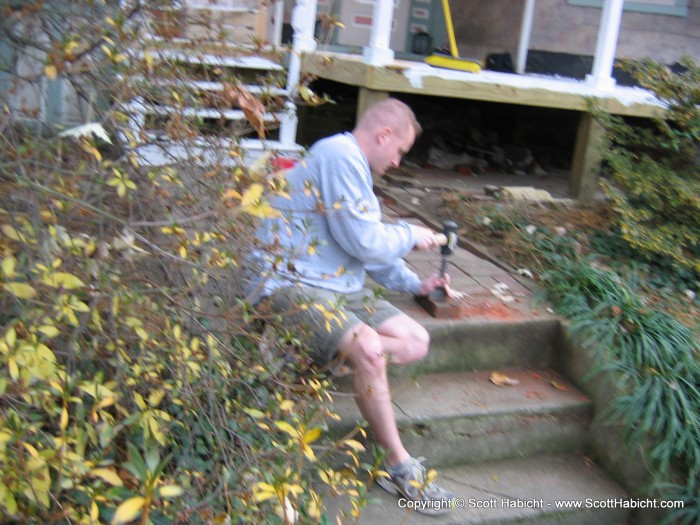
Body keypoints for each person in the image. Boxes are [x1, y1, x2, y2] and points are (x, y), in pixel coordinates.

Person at [247, 98, 456, 515]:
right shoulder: (339, 156)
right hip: (291, 283)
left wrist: (417, 283)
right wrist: (410, 233)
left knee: (416, 340)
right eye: (398, 152)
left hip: (337, 286)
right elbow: (365, 240)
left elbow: (364, 248)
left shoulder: (351, 166)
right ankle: (398, 465)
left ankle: (313, 353)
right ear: (383, 136)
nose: (397, 162)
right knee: (371, 350)